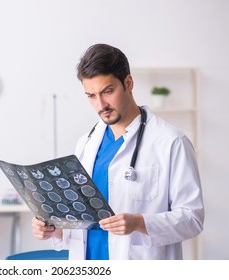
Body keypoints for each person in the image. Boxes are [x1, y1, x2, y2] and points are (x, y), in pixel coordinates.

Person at [31, 43, 204, 260]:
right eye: (91, 96)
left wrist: (140, 223)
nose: (100, 104)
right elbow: (84, 221)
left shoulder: (171, 142)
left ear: (128, 83)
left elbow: (192, 219)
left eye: (107, 91)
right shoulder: (86, 143)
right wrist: (54, 229)